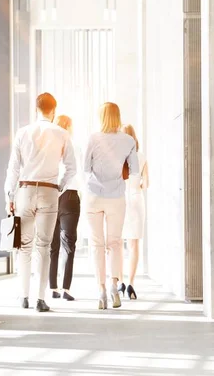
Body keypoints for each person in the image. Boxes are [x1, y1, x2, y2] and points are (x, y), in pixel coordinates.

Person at [4, 92, 76, 312]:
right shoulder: (62, 133)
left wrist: (9, 196)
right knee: (43, 246)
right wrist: (60, 186)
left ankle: (23, 296)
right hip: (49, 192)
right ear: (53, 110)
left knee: (24, 247)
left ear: (36, 109)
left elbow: (13, 168)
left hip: (24, 190)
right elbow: (72, 167)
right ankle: (40, 299)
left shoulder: (23, 132)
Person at [83, 102, 138, 309]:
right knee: (114, 244)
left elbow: (85, 167)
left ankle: (101, 291)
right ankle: (115, 287)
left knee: (97, 244)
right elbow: (134, 170)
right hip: (117, 197)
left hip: (94, 196)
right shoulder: (128, 140)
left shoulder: (93, 138)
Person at [49, 115, 82, 301]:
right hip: (69, 194)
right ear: (69, 126)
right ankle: (66, 289)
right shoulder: (73, 144)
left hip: (52, 195)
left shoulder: (48, 145)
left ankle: (52, 287)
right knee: (68, 245)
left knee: (52, 245)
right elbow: (77, 171)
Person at [118, 124, 149, 300]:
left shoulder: (118, 158)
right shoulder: (142, 157)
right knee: (134, 244)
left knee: (118, 244)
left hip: (121, 200)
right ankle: (131, 283)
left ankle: (120, 281)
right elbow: (146, 184)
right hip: (137, 200)